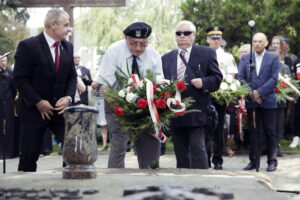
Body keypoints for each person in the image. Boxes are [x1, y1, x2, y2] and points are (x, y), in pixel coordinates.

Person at [93, 22, 163, 169]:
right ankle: (115, 178)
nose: (138, 48)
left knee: (149, 139)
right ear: (125, 38)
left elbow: (159, 84)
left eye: (143, 44)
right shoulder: (114, 51)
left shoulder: (153, 55)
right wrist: (119, 106)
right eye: (133, 43)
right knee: (119, 140)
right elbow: (105, 86)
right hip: (116, 102)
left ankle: (150, 176)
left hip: (144, 105)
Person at [13, 8, 77, 172]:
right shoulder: (28, 46)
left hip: (60, 111)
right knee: (29, 156)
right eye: (66, 25)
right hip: (33, 111)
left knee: (74, 150)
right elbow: (20, 79)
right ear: (54, 25)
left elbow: (72, 76)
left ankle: (70, 188)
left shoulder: (68, 47)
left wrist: (69, 97)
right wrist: (38, 102)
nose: (69, 29)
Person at [162, 20, 222, 169]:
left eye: (186, 33)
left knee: (198, 149)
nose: (182, 36)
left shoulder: (206, 53)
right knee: (180, 152)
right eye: (178, 33)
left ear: (193, 36)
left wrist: (203, 82)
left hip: (197, 110)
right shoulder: (166, 57)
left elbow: (217, 79)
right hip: (175, 112)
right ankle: (183, 184)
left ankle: (202, 182)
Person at [238, 32, 280, 172]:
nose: (257, 44)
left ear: (266, 43)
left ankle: (272, 161)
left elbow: (274, 79)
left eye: (260, 41)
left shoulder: (273, 58)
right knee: (254, 131)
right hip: (252, 101)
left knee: (270, 131)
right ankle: (253, 161)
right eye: (255, 41)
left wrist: (259, 92)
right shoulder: (245, 58)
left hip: (268, 100)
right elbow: (241, 77)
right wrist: (252, 93)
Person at [205, 25, 238, 169]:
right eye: (213, 38)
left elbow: (231, 75)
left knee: (219, 129)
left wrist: (227, 89)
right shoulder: (202, 53)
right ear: (207, 39)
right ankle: (205, 158)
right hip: (205, 95)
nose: (216, 40)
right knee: (205, 128)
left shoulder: (227, 56)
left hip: (220, 96)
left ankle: (218, 159)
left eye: (218, 38)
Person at [0, 55, 18, 159]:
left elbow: (14, 88)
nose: (3, 63)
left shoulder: (10, 73)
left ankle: (10, 152)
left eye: (5, 61)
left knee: (9, 127)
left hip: (8, 102)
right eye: (1, 61)